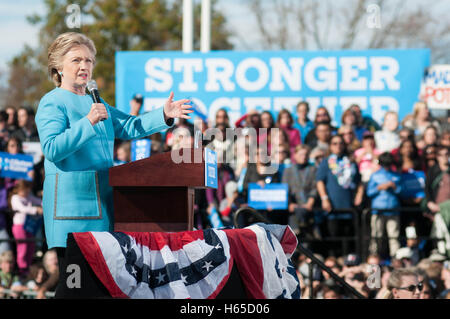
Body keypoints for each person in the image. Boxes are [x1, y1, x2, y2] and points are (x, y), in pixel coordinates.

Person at [34, 32, 192, 296]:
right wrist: (88, 122)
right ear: (58, 68)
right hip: (72, 210)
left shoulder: (96, 101)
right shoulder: (52, 102)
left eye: (89, 60)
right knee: (74, 287)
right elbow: (52, 149)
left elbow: (129, 125)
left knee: (99, 287)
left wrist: (163, 114)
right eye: (76, 60)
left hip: (105, 205)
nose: (84, 66)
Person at [316, 134, 364, 257]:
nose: (338, 146)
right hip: (333, 206)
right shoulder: (326, 162)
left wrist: (359, 195)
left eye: (340, 143)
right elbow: (320, 181)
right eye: (334, 143)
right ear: (330, 146)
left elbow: (359, 182)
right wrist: (324, 199)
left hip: (349, 206)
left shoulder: (351, 162)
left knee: (348, 239)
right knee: (334, 239)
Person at [366, 152, 402, 259]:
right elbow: (369, 192)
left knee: (394, 235)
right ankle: (374, 256)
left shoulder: (396, 175)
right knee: (377, 235)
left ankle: (395, 257)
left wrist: (395, 187)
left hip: (393, 209)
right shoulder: (375, 175)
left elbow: (401, 191)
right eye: (385, 164)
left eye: (389, 164)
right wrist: (380, 187)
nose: (386, 167)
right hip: (378, 209)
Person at [282, 145, 317, 236]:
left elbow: (314, 187)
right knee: (295, 234)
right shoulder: (288, 171)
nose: (304, 157)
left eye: (306, 154)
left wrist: (310, 202)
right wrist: (290, 203)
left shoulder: (313, 169)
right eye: (301, 154)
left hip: (308, 204)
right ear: (295, 155)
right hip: (294, 206)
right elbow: (285, 189)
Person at [10, 180, 43, 275]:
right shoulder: (15, 198)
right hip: (19, 226)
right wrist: (36, 209)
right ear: (19, 189)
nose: (27, 192)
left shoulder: (28, 197)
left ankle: (27, 268)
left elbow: (39, 202)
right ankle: (22, 269)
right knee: (23, 247)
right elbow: (22, 209)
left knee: (31, 246)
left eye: (28, 190)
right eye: (25, 190)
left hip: (29, 226)